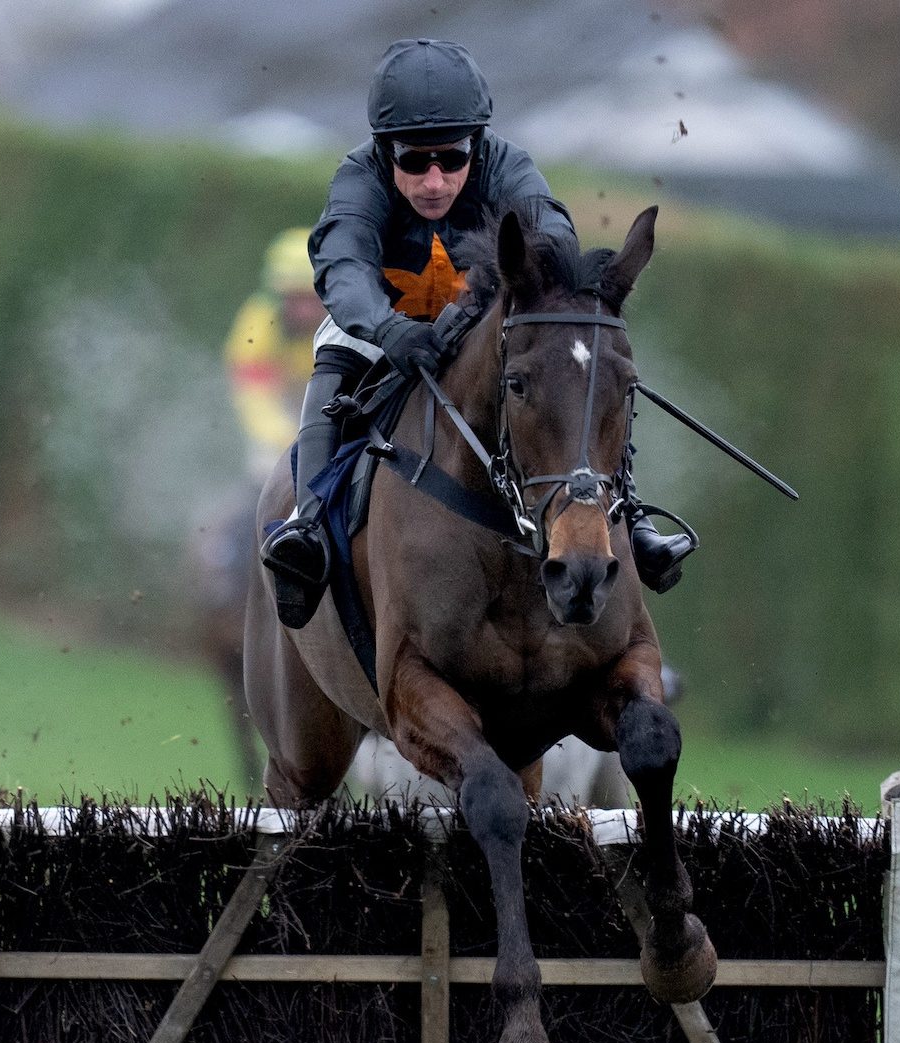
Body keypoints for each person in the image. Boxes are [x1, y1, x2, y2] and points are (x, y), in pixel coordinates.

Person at [258, 38, 696, 630]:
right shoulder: (358, 178)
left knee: (580, 376)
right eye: (414, 162)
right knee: (332, 356)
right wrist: (390, 329)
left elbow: (553, 240)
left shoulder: (509, 167)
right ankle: (307, 527)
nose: (435, 181)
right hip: (381, 326)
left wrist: (474, 309)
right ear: (386, 152)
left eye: (452, 158)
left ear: (478, 145)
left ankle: (633, 520)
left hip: (481, 321)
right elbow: (342, 267)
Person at [224, 228, 325, 482]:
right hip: (283, 421)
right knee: (268, 468)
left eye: (312, 298)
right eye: (295, 299)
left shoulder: (346, 321)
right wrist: (287, 435)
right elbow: (255, 397)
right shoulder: (256, 325)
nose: (304, 310)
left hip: (331, 411)